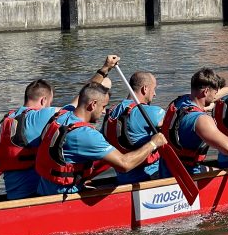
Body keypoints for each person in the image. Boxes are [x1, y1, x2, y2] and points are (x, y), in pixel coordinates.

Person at [0, 56, 119, 199]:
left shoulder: (4, 123)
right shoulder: (42, 116)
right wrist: (104, 69)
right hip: (34, 196)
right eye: (50, 102)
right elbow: (81, 101)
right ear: (43, 100)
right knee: (105, 153)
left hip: (13, 195)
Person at [36, 82, 168, 196]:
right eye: (103, 107)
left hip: (45, 190)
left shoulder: (60, 116)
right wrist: (153, 143)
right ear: (93, 104)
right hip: (64, 196)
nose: (104, 112)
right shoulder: (86, 134)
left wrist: (105, 69)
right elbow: (124, 164)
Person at [160, 68, 228, 175]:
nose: (216, 96)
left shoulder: (180, 102)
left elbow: (210, 98)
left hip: (167, 168)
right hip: (187, 175)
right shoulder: (202, 120)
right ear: (206, 91)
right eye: (215, 92)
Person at [101, 70, 165, 184]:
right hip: (150, 177)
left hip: (123, 178)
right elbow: (177, 124)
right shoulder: (151, 112)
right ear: (145, 89)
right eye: (153, 89)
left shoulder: (112, 113)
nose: (154, 94)